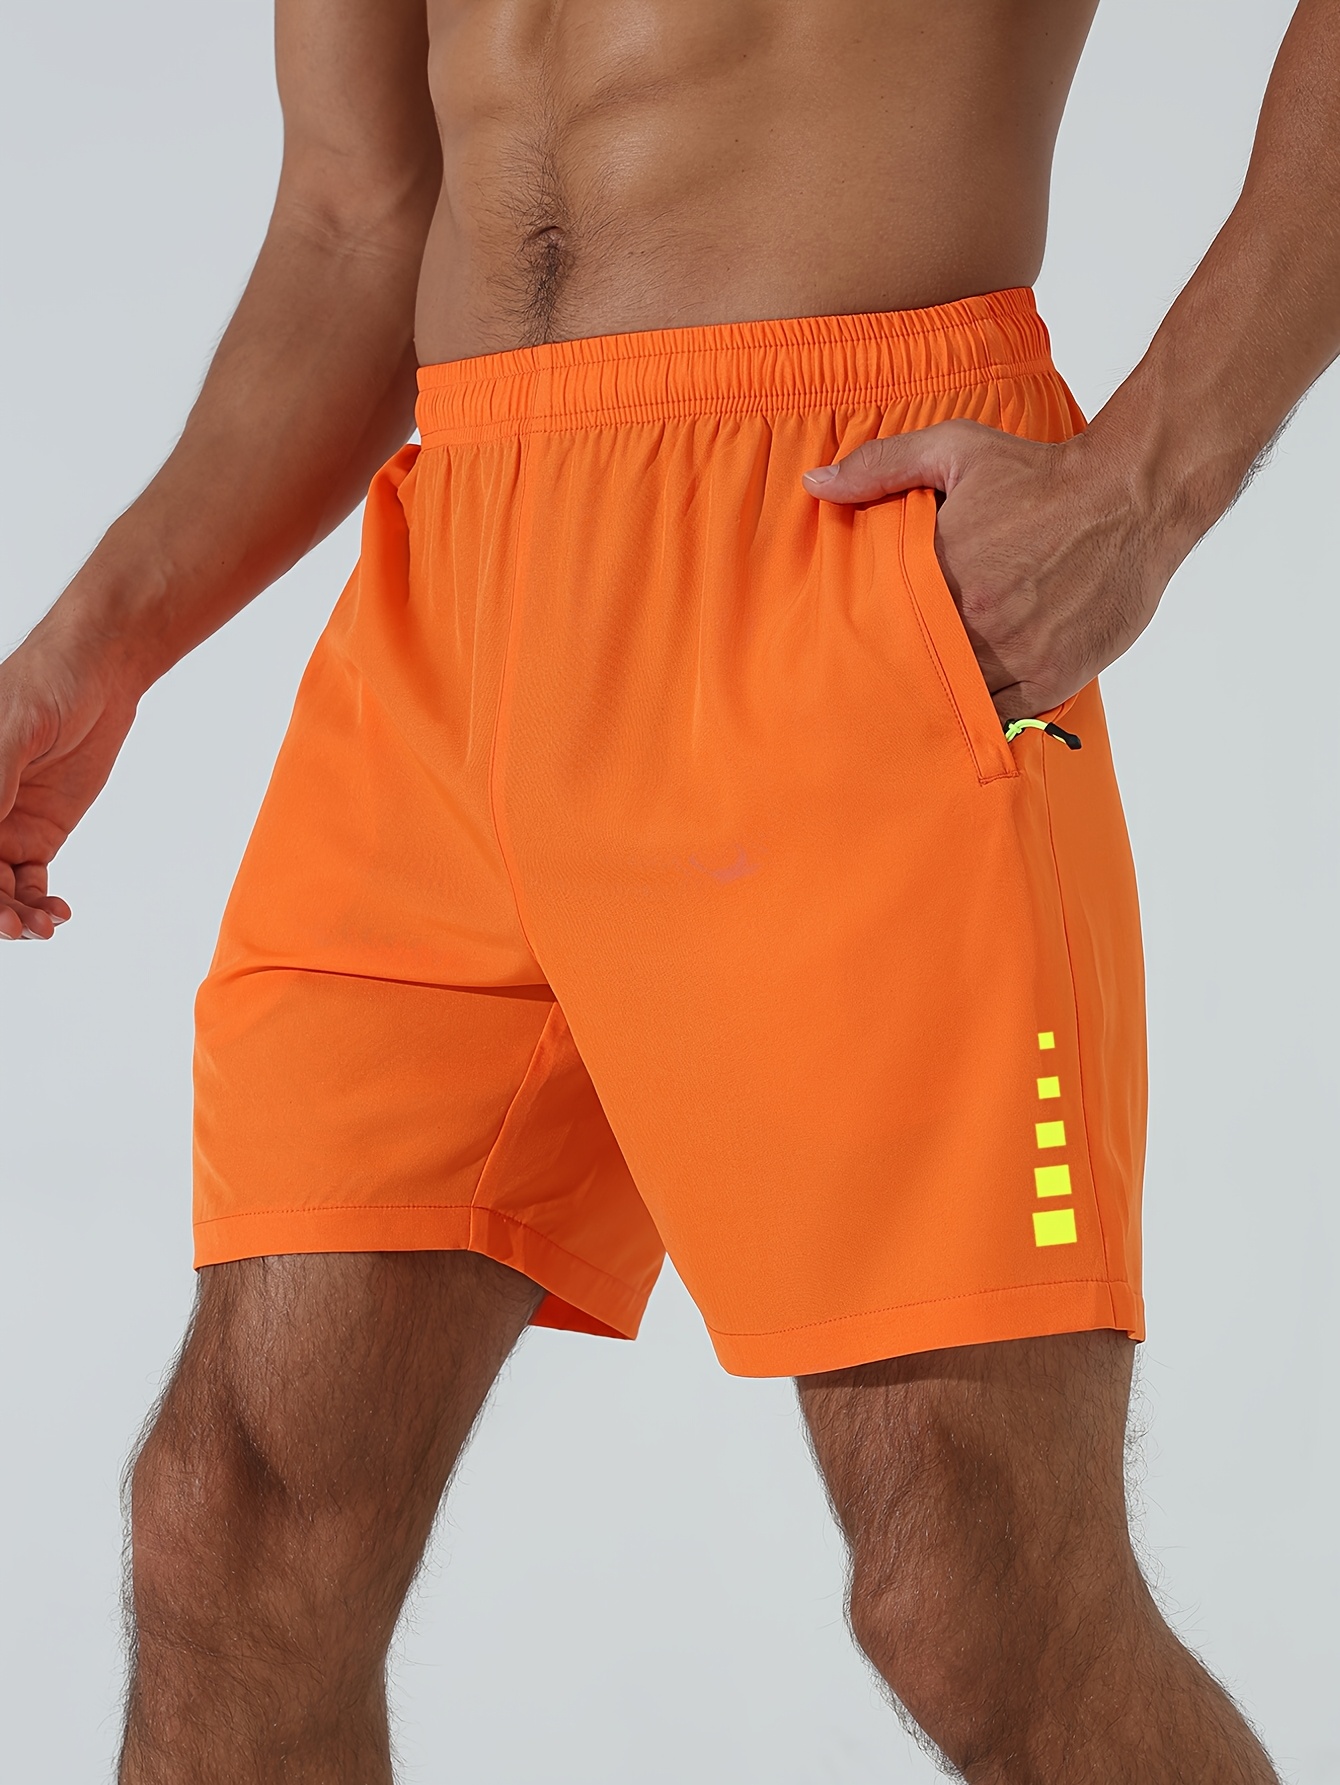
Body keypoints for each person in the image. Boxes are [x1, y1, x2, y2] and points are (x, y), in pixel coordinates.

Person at [2, 0, 1334, 1777]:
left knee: (972, 1580)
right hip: (451, 613)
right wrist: (101, 640)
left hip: (838, 545)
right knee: (233, 1519)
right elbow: (353, 214)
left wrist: (1144, 486)